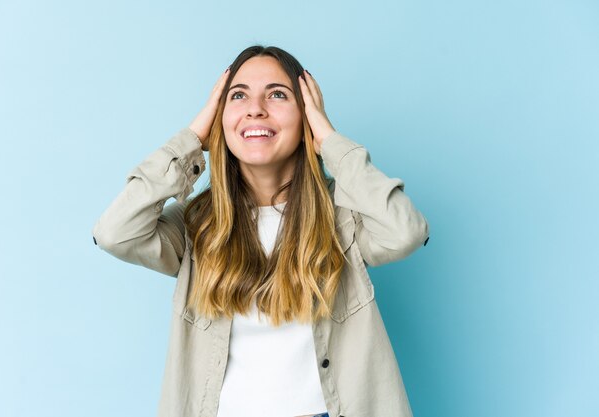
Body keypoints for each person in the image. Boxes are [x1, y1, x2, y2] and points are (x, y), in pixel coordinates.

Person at [92, 45, 429, 417]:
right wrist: (190, 141)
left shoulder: (343, 217)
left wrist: (331, 142)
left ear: (306, 116)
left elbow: (405, 232)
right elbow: (115, 232)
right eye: (238, 96)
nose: (256, 108)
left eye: (277, 94)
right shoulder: (195, 225)